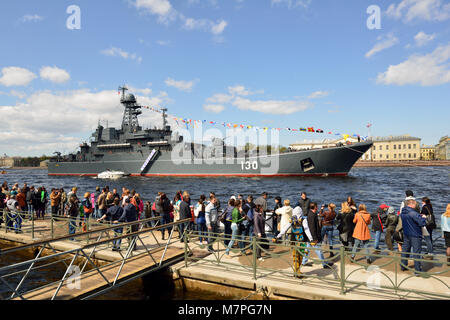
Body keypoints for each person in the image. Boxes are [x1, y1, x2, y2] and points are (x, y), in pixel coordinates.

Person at [400, 199, 426, 275]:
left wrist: (418, 216)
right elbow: (422, 223)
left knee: (405, 250)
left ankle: (403, 266)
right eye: (415, 204)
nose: (416, 205)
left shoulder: (403, 212)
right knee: (416, 252)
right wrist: (423, 217)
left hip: (406, 233)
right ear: (411, 204)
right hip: (415, 235)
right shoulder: (413, 213)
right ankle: (417, 270)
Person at [302, 202, 331, 269]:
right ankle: (324, 264)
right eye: (316, 206)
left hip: (310, 236)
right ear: (314, 207)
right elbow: (312, 227)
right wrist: (315, 238)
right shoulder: (312, 215)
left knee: (307, 249)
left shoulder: (311, 214)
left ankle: (303, 262)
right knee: (318, 250)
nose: (317, 207)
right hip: (313, 237)